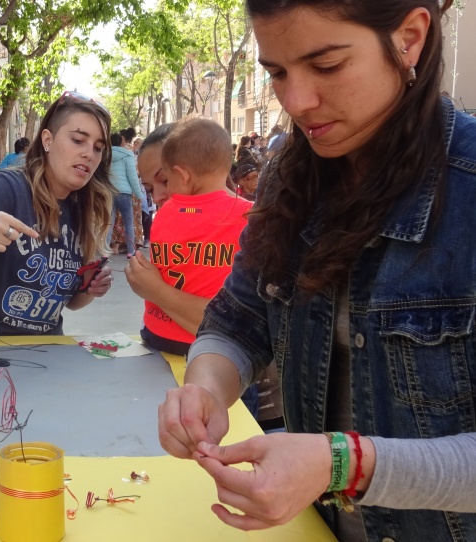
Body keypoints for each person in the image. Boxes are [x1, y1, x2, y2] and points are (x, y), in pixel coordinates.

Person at [157, 2, 476, 541]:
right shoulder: (289, 180)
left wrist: (343, 465)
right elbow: (238, 319)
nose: (297, 102)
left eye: (326, 65)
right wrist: (206, 390)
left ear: (410, 37)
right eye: (277, 73)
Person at [0, 91, 115, 336]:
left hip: (42, 356)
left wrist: (88, 288)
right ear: (47, 139)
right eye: (78, 140)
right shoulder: (8, 186)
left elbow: (71, 303)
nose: (89, 154)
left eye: (98, 147)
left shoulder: (85, 207)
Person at [125, 117, 251, 356]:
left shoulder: (250, 222)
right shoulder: (169, 221)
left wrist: (155, 291)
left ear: (185, 171)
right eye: (149, 189)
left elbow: (240, 325)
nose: (160, 196)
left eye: (165, 180)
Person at [106, 132, 144, 258]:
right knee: (129, 223)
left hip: (110, 191)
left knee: (109, 223)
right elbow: (132, 177)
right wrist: (139, 195)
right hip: (125, 193)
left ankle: (105, 251)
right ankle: (131, 251)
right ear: (121, 141)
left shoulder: (105, 155)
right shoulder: (127, 155)